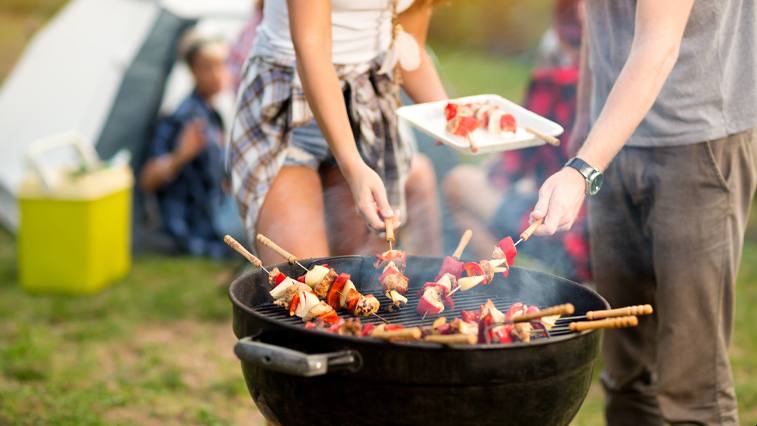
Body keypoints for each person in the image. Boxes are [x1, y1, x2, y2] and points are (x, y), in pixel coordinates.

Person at [529, 1, 756, 424]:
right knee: (625, 372)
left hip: (697, 139)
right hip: (613, 144)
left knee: (694, 388)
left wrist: (582, 167)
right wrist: (585, 126)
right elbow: (596, 19)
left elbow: (657, 47)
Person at [229, 0, 445, 264]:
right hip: (285, 103)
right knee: (304, 284)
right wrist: (354, 166)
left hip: (365, 108)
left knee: (363, 279)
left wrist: (449, 115)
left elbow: (409, 47)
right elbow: (311, 50)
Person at [443, 0, 590, 282]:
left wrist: (493, 161)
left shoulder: (552, 83)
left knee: (459, 182)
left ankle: (504, 285)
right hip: (611, 236)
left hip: (559, 230)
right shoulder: (622, 92)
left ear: (558, 32)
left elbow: (506, 173)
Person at [140, 29, 242, 259]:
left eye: (223, 65)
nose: (218, 74)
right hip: (195, 223)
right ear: (193, 71)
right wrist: (180, 156)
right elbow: (147, 180)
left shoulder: (212, 113)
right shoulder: (181, 117)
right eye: (208, 66)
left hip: (217, 210)